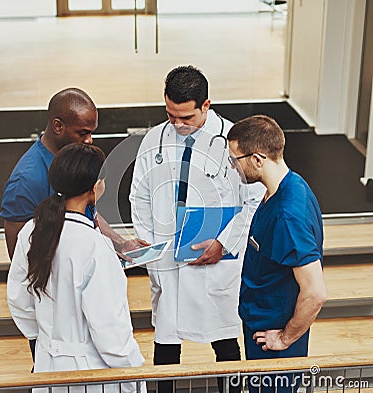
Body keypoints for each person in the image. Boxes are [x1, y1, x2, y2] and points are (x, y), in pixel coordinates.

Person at [130, 65, 265, 393]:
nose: (176, 124)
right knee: (165, 345)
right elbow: (140, 196)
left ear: (206, 105)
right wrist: (151, 250)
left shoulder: (235, 141)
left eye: (185, 117)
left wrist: (224, 241)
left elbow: (254, 200)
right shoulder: (154, 139)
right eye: (170, 115)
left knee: (225, 343)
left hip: (215, 262)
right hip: (168, 261)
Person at [7, 143, 145, 393]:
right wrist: (135, 375)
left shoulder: (31, 230)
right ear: (95, 188)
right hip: (92, 372)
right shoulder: (95, 246)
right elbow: (111, 332)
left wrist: (47, 339)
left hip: (47, 366)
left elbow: (19, 299)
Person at [227, 115, 327, 393]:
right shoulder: (286, 186)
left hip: (272, 340)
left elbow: (316, 292)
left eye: (235, 160)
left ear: (257, 159)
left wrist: (284, 338)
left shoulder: (287, 214)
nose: (233, 167)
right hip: (262, 325)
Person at [1, 87, 145, 260]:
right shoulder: (25, 181)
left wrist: (120, 244)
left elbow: (89, 212)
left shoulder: (74, 159)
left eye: (92, 132)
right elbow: (19, 257)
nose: (89, 140)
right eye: (83, 133)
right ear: (58, 126)